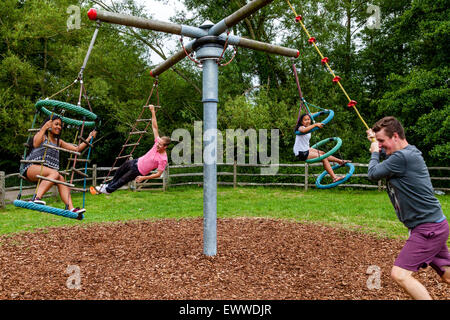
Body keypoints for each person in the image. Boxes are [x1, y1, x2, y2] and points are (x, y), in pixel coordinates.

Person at [366, 116, 449, 300]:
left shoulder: (402, 158)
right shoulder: (407, 153)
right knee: (447, 275)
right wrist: (376, 141)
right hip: (434, 225)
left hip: (428, 229)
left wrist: (373, 151)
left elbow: (372, 174)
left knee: (400, 275)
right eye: (378, 142)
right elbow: (385, 158)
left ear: (395, 136)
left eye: (382, 141)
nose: (380, 146)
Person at [21, 115, 97, 214]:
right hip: (31, 168)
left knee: (61, 179)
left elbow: (76, 149)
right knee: (55, 173)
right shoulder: (43, 136)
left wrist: (89, 138)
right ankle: (36, 198)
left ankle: (71, 208)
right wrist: (44, 127)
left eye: (60, 125)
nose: (59, 127)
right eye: (56, 124)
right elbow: (35, 143)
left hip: (46, 173)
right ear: (49, 124)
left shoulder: (58, 142)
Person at [95, 105, 169, 194]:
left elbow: (158, 174)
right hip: (136, 161)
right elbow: (155, 127)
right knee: (119, 171)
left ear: (165, 147)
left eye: (160, 145)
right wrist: (153, 111)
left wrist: (143, 178)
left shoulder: (163, 159)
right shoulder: (157, 141)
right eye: (158, 142)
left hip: (139, 171)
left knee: (123, 179)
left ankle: (108, 190)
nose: (157, 145)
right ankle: (108, 185)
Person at [293, 112, 349, 183]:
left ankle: (340, 162)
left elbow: (312, 114)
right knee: (323, 157)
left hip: (306, 148)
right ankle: (334, 178)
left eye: (308, 119)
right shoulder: (301, 127)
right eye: (305, 120)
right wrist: (315, 124)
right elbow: (303, 131)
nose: (307, 121)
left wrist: (322, 112)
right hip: (301, 152)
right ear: (301, 122)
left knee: (322, 153)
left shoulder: (308, 126)